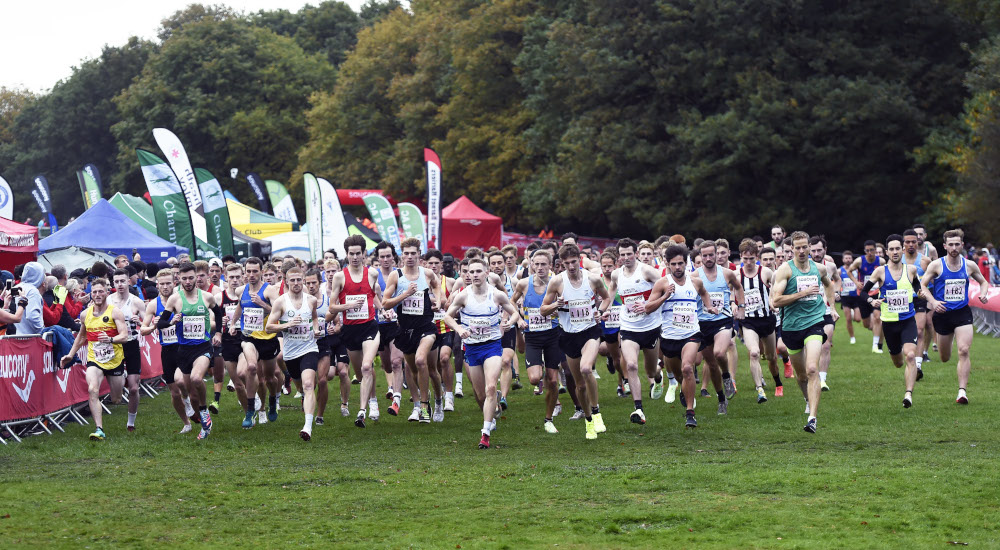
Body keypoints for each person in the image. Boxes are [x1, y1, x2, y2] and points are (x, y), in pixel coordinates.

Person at [443, 257, 524, 449]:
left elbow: (513, 312)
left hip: (492, 346)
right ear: (467, 275)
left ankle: (485, 434)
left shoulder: (496, 295)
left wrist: (509, 322)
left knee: (489, 388)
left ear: (487, 273)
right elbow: (447, 316)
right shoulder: (463, 295)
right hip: (472, 348)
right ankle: (490, 411)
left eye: (479, 271)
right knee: (480, 394)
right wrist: (459, 328)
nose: (475, 275)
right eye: (471, 272)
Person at [770, 231, 837, 433]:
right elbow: (776, 301)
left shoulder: (819, 268)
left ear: (810, 247)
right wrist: (803, 294)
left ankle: (812, 418)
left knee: (811, 369)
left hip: (815, 322)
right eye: (796, 248)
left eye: (804, 247)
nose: (801, 251)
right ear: (791, 249)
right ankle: (807, 398)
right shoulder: (785, 271)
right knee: (801, 376)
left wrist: (832, 307)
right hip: (791, 327)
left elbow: (829, 285)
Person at [541, 244, 610, 440]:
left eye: (574, 262)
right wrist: (556, 304)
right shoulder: (557, 282)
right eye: (566, 263)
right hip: (568, 335)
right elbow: (543, 310)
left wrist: (600, 311)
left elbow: (606, 298)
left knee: (587, 368)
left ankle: (596, 413)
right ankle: (588, 420)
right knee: (579, 385)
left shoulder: (593, 279)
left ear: (579, 259)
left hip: (589, 331)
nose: (571, 266)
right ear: (561, 264)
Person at [644, 244, 717, 428]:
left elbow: (704, 293)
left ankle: (690, 413)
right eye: (674, 264)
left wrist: (708, 307)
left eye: (681, 264)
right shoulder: (662, 283)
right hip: (669, 337)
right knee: (679, 376)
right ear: (668, 264)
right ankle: (684, 391)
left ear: (686, 263)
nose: (678, 267)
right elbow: (648, 308)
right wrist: (665, 296)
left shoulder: (696, 281)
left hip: (691, 333)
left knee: (687, 369)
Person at [920, 229, 990, 405]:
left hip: (962, 313)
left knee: (964, 350)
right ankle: (948, 341)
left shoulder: (969, 265)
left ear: (962, 245)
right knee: (945, 357)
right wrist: (934, 302)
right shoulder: (936, 265)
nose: (953, 247)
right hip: (942, 315)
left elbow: (983, 281)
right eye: (950, 244)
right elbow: (922, 285)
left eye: (957, 244)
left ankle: (962, 392)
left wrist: (983, 294)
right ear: (944, 246)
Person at [601, 238, 664, 425]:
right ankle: (639, 409)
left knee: (651, 371)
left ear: (636, 253)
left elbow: (665, 287)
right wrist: (602, 311)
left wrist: (647, 304)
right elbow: (610, 294)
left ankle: (658, 377)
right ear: (618, 256)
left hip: (650, 327)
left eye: (629, 253)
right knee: (631, 366)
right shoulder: (616, 275)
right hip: (628, 327)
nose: (626, 257)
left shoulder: (646, 270)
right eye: (622, 254)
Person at [381, 238, 444, 423]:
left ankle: (430, 404)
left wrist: (438, 301)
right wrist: (405, 294)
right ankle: (423, 403)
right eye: (406, 253)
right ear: (402, 255)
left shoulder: (427, 273)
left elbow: (437, 284)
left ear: (419, 255)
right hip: (405, 329)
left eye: (413, 253)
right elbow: (385, 304)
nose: (409, 257)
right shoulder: (396, 275)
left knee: (421, 362)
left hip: (426, 327)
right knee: (415, 370)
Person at [60, 278, 129, 441]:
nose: (97, 295)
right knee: (92, 389)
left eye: (101, 291)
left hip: (115, 359)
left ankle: (122, 377)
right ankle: (99, 429)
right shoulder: (85, 314)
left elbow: (124, 336)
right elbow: (81, 336)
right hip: (95, 359)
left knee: (116, 399)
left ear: (106, 292)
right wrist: (70, 354)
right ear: (91, 293)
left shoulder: (115, 312)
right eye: (95, 292)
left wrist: (111, 340)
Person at [326, 235, 384, 428]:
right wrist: (347, 306)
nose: (355, 257)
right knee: (360, 373)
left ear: (364, 254)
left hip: (369, 326)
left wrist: (383, 308)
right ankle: (373, 398)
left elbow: (375, 296)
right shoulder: (340, 276)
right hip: (350, 330)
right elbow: (332, 306)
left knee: (367, 366)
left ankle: (362, 411)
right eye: (351, 254)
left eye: (358, 253)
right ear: (347, 254)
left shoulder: (372, 274)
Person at [158, 262, 219, 439]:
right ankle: (202, 421)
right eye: (184, 278)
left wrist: (219, 334)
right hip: (183, 349)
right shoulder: (174, 299)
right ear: (180, 279)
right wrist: (171, 322)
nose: (188, 281)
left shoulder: (206, 297)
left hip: (203, 347)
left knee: (196, 378)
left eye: (191, 277)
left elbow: (220, 314)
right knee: (186, 387)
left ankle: (204, 410)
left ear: (197, 277)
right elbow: (161, 323)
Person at [863, 234, 921, 408]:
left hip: (908, 320)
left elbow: (917, 285)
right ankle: (905, 369)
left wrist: (920, 292)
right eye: (892, 249)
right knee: (898, 362)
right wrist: (872, 301)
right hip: (889, 323)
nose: (895, 252)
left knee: (910, 355)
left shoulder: (910, 270)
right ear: (886, 252)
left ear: (902, 250)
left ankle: (908, 394)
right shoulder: (880, 271)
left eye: (898, 248)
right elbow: (864, 293)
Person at [266, 267, 323, 440]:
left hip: (309, 348)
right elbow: (269, 327)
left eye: (299, 280)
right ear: (287, 281)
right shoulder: (281, 302)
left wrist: (316, 329)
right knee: (300, 386)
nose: (296, 283)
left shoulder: (311, 300)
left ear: (303, 280)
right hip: (291, 353)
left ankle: (307, 427)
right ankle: (301, 394)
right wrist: (286, 325)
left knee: (308, 385)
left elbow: (314, 317)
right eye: (293, 280)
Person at [511, 249, 563, 433]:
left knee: (553, 381)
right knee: (534, 379)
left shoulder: (557, 283)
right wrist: (518, 319)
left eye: (543, 264)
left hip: (553, 335)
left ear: (550, 265)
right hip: (532, 335)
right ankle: (540, 368)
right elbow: (511, 303)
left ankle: (548, 419)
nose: (540, 267)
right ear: (531, 264)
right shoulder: (524, 284)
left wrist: (559, 311)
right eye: (536, 264)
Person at [691, 240, 744, 413]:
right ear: (700, 256)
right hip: (702, 323)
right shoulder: (695, 276)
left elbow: (738, 287)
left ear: (716, 254)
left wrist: (741, 307)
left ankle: (727, 376)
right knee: (711, 364)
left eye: (711, 254)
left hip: (723, 320)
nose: (708, 258)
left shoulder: (727, 273)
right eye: (704, 255)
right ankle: (721, 398)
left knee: (720, 352)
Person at [140, 270, 196, 433]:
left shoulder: (182, 300)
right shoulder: (153, 304)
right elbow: (143, 329)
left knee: (184, 383)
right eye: (162, 283)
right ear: (157, 285)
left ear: (174, 283)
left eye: (168, 283)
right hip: (167, 350)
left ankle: (194, 406)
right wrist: (154, 326)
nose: (165, 286)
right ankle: (186, 423)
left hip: (184, 347)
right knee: (174, 392)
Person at [229, 257, 282, 424]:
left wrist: (262, 304)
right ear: (245, 272)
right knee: (251, 367)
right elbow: (240, 306)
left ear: (261, 272)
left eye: (255, 271)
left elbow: (279, 311)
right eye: (248, 271)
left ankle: (272, 399)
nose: (251, 275)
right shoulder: (241, 291)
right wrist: (232, 323)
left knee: (270, 378)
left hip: (268, 338)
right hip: (249, 336)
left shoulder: (269, 291)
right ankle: (250, 409)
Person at [736, 239, 782, 402]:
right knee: (754, 353)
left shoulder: (766, 273)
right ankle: (760, 389)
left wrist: (772, 303)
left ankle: (778, 383)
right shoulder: (736, 275)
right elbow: (729, 294)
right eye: (745, 258)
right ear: (741, 256)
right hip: (748, 322)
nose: (748, 262)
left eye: (751, 258)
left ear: (756, 256)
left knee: (771, 358)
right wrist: (734, 306)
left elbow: (774, 292)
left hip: (767, 320)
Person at [218, 263, 257, 429]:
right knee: (238, 384)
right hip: (228, 342)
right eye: (231, 277)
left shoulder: (249, 295)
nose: (234, 280)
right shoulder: (219, 298)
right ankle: (249, 413)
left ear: (243, 277)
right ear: (225, 278)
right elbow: (212, 322)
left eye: (237, 277)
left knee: (243, 372)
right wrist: (221, 324)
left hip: (245, 339)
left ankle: (254, 399)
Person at [108, 268, 145, 432]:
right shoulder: (107, 300)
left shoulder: (136, 301)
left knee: (134, 388)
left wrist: (140, 323)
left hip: (131, 344)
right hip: (114, 346)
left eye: (123, 281)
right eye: (116, 281)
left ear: (129, 280)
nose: (120, 284)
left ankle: (131, 421)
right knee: (115, 396)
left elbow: (148, 326)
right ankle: (120, 376)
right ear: (113, 283)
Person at [844, 240, 886, 353]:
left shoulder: (881, 261)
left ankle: (875, 346)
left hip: (877, 293)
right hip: (863, 294)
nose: (870, 253)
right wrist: (856, 282)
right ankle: (857, 316)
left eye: (872, 250)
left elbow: (886, 274)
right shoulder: (859, 261)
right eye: (867, 250)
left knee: (878, 317)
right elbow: (849, 271)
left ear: (875, 250)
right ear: (864, 251)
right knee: (867, 324)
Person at [12, 262, 45, 336]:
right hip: (31, 338)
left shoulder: (16, 287)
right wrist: (42, 331)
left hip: (14, 336)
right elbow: (32, 316)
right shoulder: (32, 291)